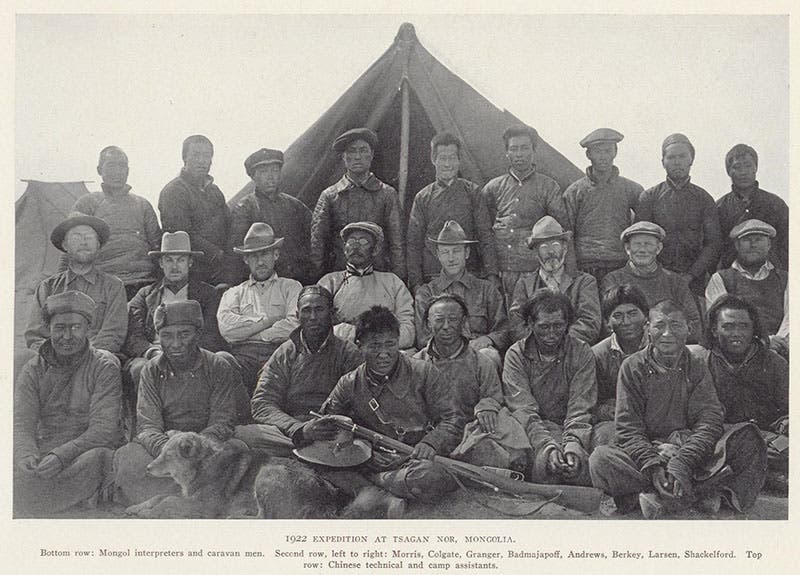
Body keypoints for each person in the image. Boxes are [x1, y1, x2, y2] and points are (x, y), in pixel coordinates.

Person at [588, 300, 767, 517]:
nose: (667, 334)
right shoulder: (632, 367)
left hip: (690, 449)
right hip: (650, 450)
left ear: (688, 329)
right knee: (600, 459)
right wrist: (653, 464)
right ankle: (697, 493)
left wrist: (682, 461)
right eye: (659, 326)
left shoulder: (697, 364)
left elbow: (709, 421)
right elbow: (628, 428)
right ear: (648, 329)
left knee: (747, 438)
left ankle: (659, 496)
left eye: (675, 325)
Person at [302, 306, 462, 502]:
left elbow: (452, 419)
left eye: (390, 344)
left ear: (398, 342)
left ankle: (372, 488)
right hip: (366, 460)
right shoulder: (349, 383)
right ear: (360, 346)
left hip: (413, 460)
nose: (384, 353)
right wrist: (358, 447)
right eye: (375, 346)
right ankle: (381, 489)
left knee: (431, 477)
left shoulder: (424, 373)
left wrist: (431, 442)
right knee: (319, 466)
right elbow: (328, 422)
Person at [113, 300, 249, 506]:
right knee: (128, 458)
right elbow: (148, 426)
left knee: (236, 451)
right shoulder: (151, 370)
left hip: (206, 447)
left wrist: (194, 451)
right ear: (159, 338)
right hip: (167, 447)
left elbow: (223, 421)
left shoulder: (217, 365)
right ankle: (193, 499)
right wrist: (172, 454)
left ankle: (177, 500)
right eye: (167, 336)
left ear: (198, 334)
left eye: (184, 334)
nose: (175, 343)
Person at [14, 291, 122, 516]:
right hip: (44, 449)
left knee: (99, 459)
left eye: (75, 327)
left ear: (88, 329)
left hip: (83, 451)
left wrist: (62, 455)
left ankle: (34, 500)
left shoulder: (104, 366)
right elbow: (22, 422)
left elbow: (104, 430)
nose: (67, 336)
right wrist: (26, 453)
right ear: (49, 329)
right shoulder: (33, 369)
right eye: (60, 328)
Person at [235, 286, 362, 454]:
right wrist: (299, 429)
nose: (313, 317)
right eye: (306, 311)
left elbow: (358, 405)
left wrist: (327, 428)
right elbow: (262, 402)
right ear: (297, 316)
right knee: (243, 434)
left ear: (332, 314)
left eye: (319, 310)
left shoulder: (348, 352)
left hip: (332, 434)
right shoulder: (285, 352)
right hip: (292, 433)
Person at [415, 294, 529, 470]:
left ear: (464, 322)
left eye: (453, 319)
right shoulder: (417, 363)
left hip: (471, 430)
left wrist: (487, 406)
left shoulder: (480, 361)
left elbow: (493, 395)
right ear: (428, 324)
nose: (446, 326)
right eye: (439, 320)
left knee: (504, 429)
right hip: (435, 434)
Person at [124, 231, 227, 421]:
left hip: (194, 353)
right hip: (155, 353)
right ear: (161, 263)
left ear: (190, 262)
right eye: (169, 260)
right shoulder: (145, 295)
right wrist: (152, 352)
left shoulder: (208, 294)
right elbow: (134, 336)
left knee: (219, 361)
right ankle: (147, 425)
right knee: (139, 368)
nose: (174, 266)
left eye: (180, 260)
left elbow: (211, 335)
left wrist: (188, 353)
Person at [502, 290, 597, 486]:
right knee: (544, 466)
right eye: (544, 327)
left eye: (558, 326)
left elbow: (581, 406)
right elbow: (523, 410)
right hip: (534, 429)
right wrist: (547, 447)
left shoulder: (581, 351)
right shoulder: (516, 355)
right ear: (530, 323)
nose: (551, 334)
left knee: (590, 459)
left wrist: (573, 444)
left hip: (574, 426)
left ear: (567, 324)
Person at [475, 124, 572, 306]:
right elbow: (484, 233)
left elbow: (563, 231)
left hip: (535, 272)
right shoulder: (493, 188)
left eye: (524, 148)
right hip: (503, 271)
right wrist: (491, 272)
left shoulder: (548, 187)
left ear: (534, 151)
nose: (519, 154)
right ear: (507, 153)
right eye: (514, 149)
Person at [701, 295, 788, 489]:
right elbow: (701, 418)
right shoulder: (702, 365)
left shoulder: (775, 363)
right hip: (725, 439)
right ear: (714, 330)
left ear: (753, 329)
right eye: (728, 326)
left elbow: (788, 409)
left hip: (770, 438)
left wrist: (784, 425)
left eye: (744, 326)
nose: (737, 333)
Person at [24, 212, 127, 356]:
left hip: (96, 358)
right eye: (76, 237)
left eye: (89, 237)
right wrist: (56, 356)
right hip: (54, 358)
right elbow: (35, 335)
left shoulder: (113, 286)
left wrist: (84, 358)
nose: (83, 242)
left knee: (109, 359)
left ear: (98, 244)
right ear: (65, 245)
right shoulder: (47, 287)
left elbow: (112, 335)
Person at [310, 128, 405, 280]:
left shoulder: (387, 194)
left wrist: (398, 282)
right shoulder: (329, 196)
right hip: (340, 277)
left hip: (378, 276)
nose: (357, 157)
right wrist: (319, 283)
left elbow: (397, 244)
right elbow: (318, 245)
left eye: (363, 150)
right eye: (351, 151)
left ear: (372, 155)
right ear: (343, 156)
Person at [217, 223, 302, 393]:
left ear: (276, 254)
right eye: (254, 256)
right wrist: (269, 321)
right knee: (221, 360)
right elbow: (228, 330)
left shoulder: (291, 287)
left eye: (265, 254)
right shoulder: (234, 293)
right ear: (245, 259)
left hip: (278, 355)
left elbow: (294, 325)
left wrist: (254, 333)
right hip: (242, 358)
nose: (260, 262)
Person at [70, 146, 162, 299]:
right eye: (111, 165)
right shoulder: (87, 204)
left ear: (128, 170)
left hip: (143, 282)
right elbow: (71, 247)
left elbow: (157, 247)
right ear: (99, 170)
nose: (118, 172)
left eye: (122, 166)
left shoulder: (142, 204)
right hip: (102, 284)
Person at [636, 133, 721, 296]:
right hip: (655, 279)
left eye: (682, 156)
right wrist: (657, 273)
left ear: (691, 160)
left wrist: (691, 275)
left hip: (694, 281)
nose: (677, 162)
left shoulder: (704, 198)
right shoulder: (649, 197)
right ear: (663, 162)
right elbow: (641, 240)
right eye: (671, 157)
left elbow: (713, 243)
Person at [413, 220, 508, 367]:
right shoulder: (426, 293)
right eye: (445, 252)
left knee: (490, 356)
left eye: (456, 251)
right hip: (440, 355)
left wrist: (487, 339)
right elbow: (423, 338)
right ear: (438, 255)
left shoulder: (486, 289)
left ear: (467, 253)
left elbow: (503, 330)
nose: (451, 258)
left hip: (478, 355)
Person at [406, 132, 487, 291]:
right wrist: (416, 283)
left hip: (468, 274)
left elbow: (485, 235)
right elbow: (413, 243)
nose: (448, 164)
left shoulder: (472, 192)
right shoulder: (423, 197)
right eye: (443, 158)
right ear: (433, 159)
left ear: (459, 160)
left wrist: (491, 275)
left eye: (452, 158)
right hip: (433, 275)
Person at [317, 221, 415, 349]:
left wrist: (375, 340)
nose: (356, 246)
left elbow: (408, 331)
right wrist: (352, 334)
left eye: (363, 242)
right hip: (342, 351)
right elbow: (318, 328)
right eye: (351, 241)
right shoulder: (330, 282)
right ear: (344, 248)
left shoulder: (392, 282)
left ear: (375, 250)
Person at [563, 128, 642, 284]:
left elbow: (642, 227)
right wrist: (571, 266)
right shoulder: (574, 191)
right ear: (588, 155)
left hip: (620, 263)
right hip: (585, 264)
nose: (603, 157)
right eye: (598, 152)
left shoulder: (631, 189)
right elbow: (567, 233)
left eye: (608, 151)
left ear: (615, 152)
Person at [601, 221, 702, 344]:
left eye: (648, 244)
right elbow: (608, 323)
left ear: (658, 248)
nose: (642, 250)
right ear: (627, 248)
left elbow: (694, 323)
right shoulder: (614, 279)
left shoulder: (675, 281)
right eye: (637, 244)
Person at [508, 216, 601, 345]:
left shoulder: (584, 282)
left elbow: (590, 323)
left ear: (565, 249)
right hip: (534, 352)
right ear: (536, 253)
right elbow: (516, 324)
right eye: (544, 247)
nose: (551, 251)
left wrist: (560, 344)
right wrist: (540, 345)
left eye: (555, 245)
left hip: (573, 350)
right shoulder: (524, 284)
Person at [158, 134, 235, 285]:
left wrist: (230, 256)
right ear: (184, 158)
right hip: (192, 272)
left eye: (206, 156)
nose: (201, 161)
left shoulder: (215, 191)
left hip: (221, 268)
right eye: (196, 155)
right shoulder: (173, 191)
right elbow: (182, 235)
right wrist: (219, 255)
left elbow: (229, 224)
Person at [705, 219, 788, 357]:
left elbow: (792, 317)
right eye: (747, 240)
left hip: (782, 347)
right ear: (737, 245)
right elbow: (722, 321)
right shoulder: (720, 278)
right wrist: (762, 341)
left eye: (759, 239)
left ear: (769, 245)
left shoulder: (786, 278)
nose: (753, 244)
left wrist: (778, 342)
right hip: (739, 349)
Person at [231, 148, 313, 284]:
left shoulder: (294, 205)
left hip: (299, 279)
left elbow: (314, 237)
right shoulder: (245, 208)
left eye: (275, 171)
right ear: (253, 176)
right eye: (264, 172)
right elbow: (238, 253)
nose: (270, 177)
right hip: (264, 281)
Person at [591, 284, 649, 446]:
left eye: (632, 314)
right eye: (618, 316)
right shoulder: (597, 355)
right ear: (607, 322)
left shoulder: (659, 347)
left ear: (646, 316)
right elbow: (590, 402)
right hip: (616, 421)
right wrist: (606, 410)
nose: (626, 322)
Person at [716, 144, 788, 271]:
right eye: (737, 167)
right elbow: (714, 247)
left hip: (772, 275)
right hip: (732, 275)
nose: (743, 172)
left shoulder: (776, 204)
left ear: (756, 168)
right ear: (729, 172)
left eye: (748, 165)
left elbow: (789, 242)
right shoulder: (719, 207)